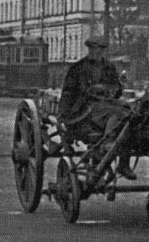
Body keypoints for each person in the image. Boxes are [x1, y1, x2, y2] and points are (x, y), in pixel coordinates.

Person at [58, 34, 136, 180]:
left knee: (131, 112)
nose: (96, 52)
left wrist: (118, 86)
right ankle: (107, 144)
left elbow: (117, 91)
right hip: (86, 108)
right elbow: (68, 93)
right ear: (89, 49)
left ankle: (123, 164)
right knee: (118, 114)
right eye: (93, 49)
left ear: (103, 51)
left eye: (99, 50)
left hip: (105, 105)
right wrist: (64, 116)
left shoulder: (109, 67)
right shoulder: (78, 68)